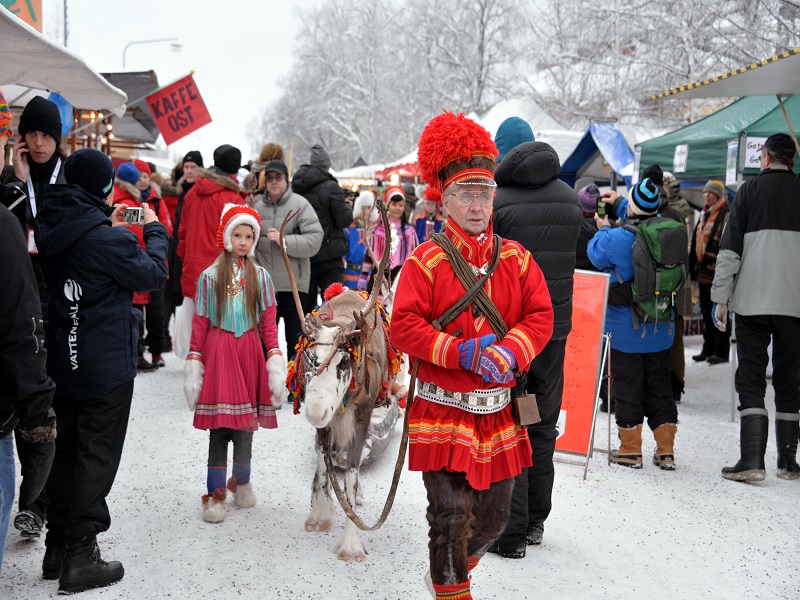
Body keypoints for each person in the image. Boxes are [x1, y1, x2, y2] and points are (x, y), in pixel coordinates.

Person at [390, 111, 554, 600]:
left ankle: (453, 572)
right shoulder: (425, 260)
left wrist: (510, 352)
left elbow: (541, 316)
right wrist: (459, 352)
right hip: (440, 410)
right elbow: (403, 327)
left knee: (494, 521)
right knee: (451, 518)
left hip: (497, 413)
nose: (478, 204)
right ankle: (451, 584)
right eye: (467, 193)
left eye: (485, 193)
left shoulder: (518, 259)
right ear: (446, 200)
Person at [34, 148, 168, 593]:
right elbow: (152, 274)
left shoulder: (54, 225)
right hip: (104, 363)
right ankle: (80, 555)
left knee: (66, 450)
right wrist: (152, 229)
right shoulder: (106, 238)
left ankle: (56, 548)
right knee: (96, 455)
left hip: (62, 358)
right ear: (103, 187)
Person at [490, 119, 582, 558]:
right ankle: (535, 523)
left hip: (510, 334)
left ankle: (510, 532)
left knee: (510, 424)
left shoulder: (498, 202)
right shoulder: (569, 199)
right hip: (556, 331)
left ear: (503, 153)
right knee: (543, 424)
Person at [184, 204, 287, 523]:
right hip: (220, 353)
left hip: (249, 355)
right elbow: (200, 322)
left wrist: (274, 355)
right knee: (220, 427)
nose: (243, 241)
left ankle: (242, 482)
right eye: (237, 235)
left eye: (249, 236)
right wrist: (195, 358)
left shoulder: (262, 277)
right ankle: (215, 495)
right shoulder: (209, 277)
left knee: (245, 427)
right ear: (227, 237)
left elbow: (269, 323)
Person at [711, 133, 800, 482]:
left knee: (751, 375)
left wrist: (720, 298)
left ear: (765, 157)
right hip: (794, 303)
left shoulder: (747, 192)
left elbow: (730, 251)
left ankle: (752, 460)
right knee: (790, 378)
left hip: (751, 303)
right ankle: (789, 463)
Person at [0, 95, 64, 541]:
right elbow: (10, 235)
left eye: (47, 135)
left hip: (56, 306)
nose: (39, 143)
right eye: (32, 134)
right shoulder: (9, 182)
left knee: (44, 405)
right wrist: (18, 184)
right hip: (18, 305)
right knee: (19, 399)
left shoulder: (70, 179)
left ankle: (35, 503)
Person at [587, 178, 678, 470]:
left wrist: (603, 227)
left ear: (633, 207)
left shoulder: (616, 238)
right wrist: (623, 203)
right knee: (659, 386)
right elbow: (643, 213)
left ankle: (630, 448)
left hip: (625, 332)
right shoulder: (669, 233)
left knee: (627, 386)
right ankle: (665, 450)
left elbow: (594, 254)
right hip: (661, 328)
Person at [177, 145, 246, 356]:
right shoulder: (234, 199)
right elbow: (239, 244)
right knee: (220, 328)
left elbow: (182, 234)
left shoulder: (191, 193)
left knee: (197, 326)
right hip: (221, 272)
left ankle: (196, 366)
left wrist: (187, 260)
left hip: (193, 269)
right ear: (234, 171)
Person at [253, 159, 323, 352]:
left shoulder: (301, 205)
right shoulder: (258, 208)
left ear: (286, 180)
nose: (273, 182)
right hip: (265, 287)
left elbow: (315, 240)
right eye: (269, 178)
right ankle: (265, 381)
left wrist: (285, 241)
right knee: (265, 341)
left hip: (294, 286)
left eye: (278, 177)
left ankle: (294, 382)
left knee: (296, 342)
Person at [291, 144, 352, 312]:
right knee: (335, 308)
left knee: (307, 310)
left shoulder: (297, 187)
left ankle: (308, 339)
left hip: (306, 256)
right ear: (326, 164)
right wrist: (347, 206)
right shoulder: (332, 187)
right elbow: (344, 220)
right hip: (330, 256)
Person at [163, 151, 203, 352]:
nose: (189, 171)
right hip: (177, 255)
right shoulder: (182, 192)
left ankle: (194, 349)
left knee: (194, 307)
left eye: (193, 167)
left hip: (192, 257)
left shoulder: (199, 192)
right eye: (186, 167)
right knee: (174, 300)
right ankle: (170, 341)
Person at [690, 180, 731, 365]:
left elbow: (725, 240)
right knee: (706, 311)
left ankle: (721, 351)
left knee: (718, 311)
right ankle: (708, 348)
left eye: (711, 193)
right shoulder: (705, 213)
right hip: (703, 271)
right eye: (705, 192)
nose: (706, 195)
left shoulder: (724, 213)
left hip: (716, 271)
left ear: (719, 195)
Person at [359, 185, 419, 294]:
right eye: (394, 204)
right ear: (388, 205)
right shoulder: (377, 230)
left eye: (400, 205)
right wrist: (363, 275)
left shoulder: (410, 231)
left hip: (400, 279)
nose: (397, 208)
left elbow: (415, 258)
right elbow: (369, 255)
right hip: (379, 277)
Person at [343, 190, 376, 290]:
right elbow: (343, 252)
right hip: (349, 273)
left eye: (369, 208)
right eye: (363, 208)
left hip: (369, 275)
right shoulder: (348, 228)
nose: (366, 211)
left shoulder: (375, 229)